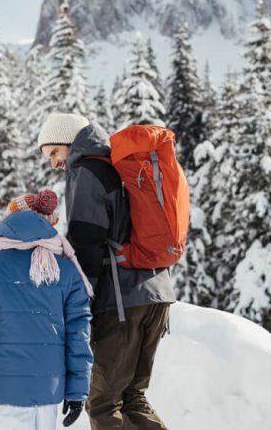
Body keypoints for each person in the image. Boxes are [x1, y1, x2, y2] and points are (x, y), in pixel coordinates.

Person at [38, 113, 174, 430]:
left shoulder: (85, 169)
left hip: (120, 300)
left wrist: (79, 298)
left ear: (68, 140)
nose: (55, 164)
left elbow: (87, 240)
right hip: (156, 292)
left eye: (54, 153)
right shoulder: (115, 162)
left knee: (102, 402)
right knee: (132, 398)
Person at [0, 190, 93, 430]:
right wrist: (77, 391)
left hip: (5, 394)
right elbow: (79, 334)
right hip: (48, 392)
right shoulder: (64, 269)